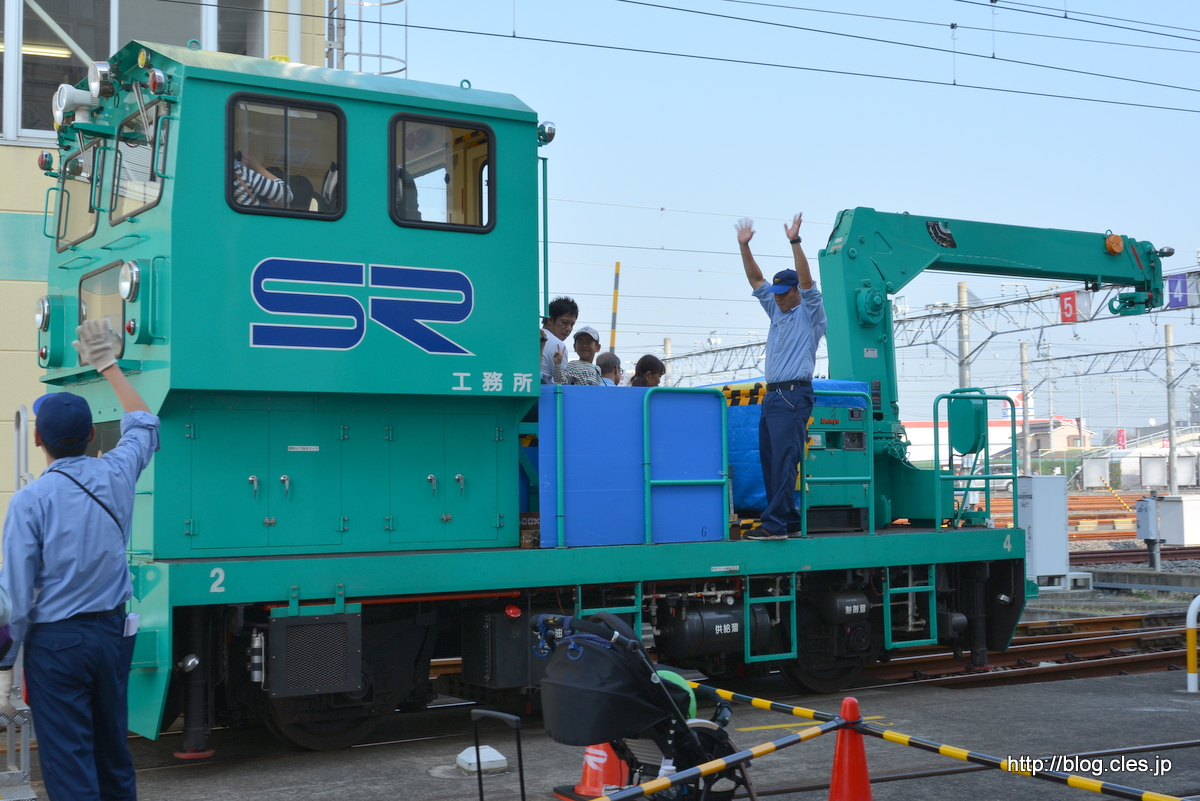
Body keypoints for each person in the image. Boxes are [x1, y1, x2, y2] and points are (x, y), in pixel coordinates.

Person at [0, 318, 159, 800]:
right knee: (113, 755)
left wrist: (6, 661)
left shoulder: (29, 502)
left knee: (69, 765)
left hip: (56, 646)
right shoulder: (117, 474)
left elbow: (15, 600)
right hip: (111, 637)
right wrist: (108, 365)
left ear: (37, 440)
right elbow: (144, 422)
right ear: (92, 433)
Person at [735, 213, 826, 540]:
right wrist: (744, 246)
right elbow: (756, 279)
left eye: (784, 292)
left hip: (793, 395)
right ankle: (787, 519)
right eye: (776, 292)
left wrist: (795, 241)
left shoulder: (810, 313)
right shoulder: (776, 309)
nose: (778, 297)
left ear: (796, 292)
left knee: (785, 461)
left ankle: (774, 525)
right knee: (771, 461)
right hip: (772, 395)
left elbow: (807, 281)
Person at [541, 296, 578, 383]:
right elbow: (563, 384)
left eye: (572, 325)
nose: (569, 328)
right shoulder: (558, 346)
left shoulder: (533, 337)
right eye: (564, 322)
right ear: (549, 320)